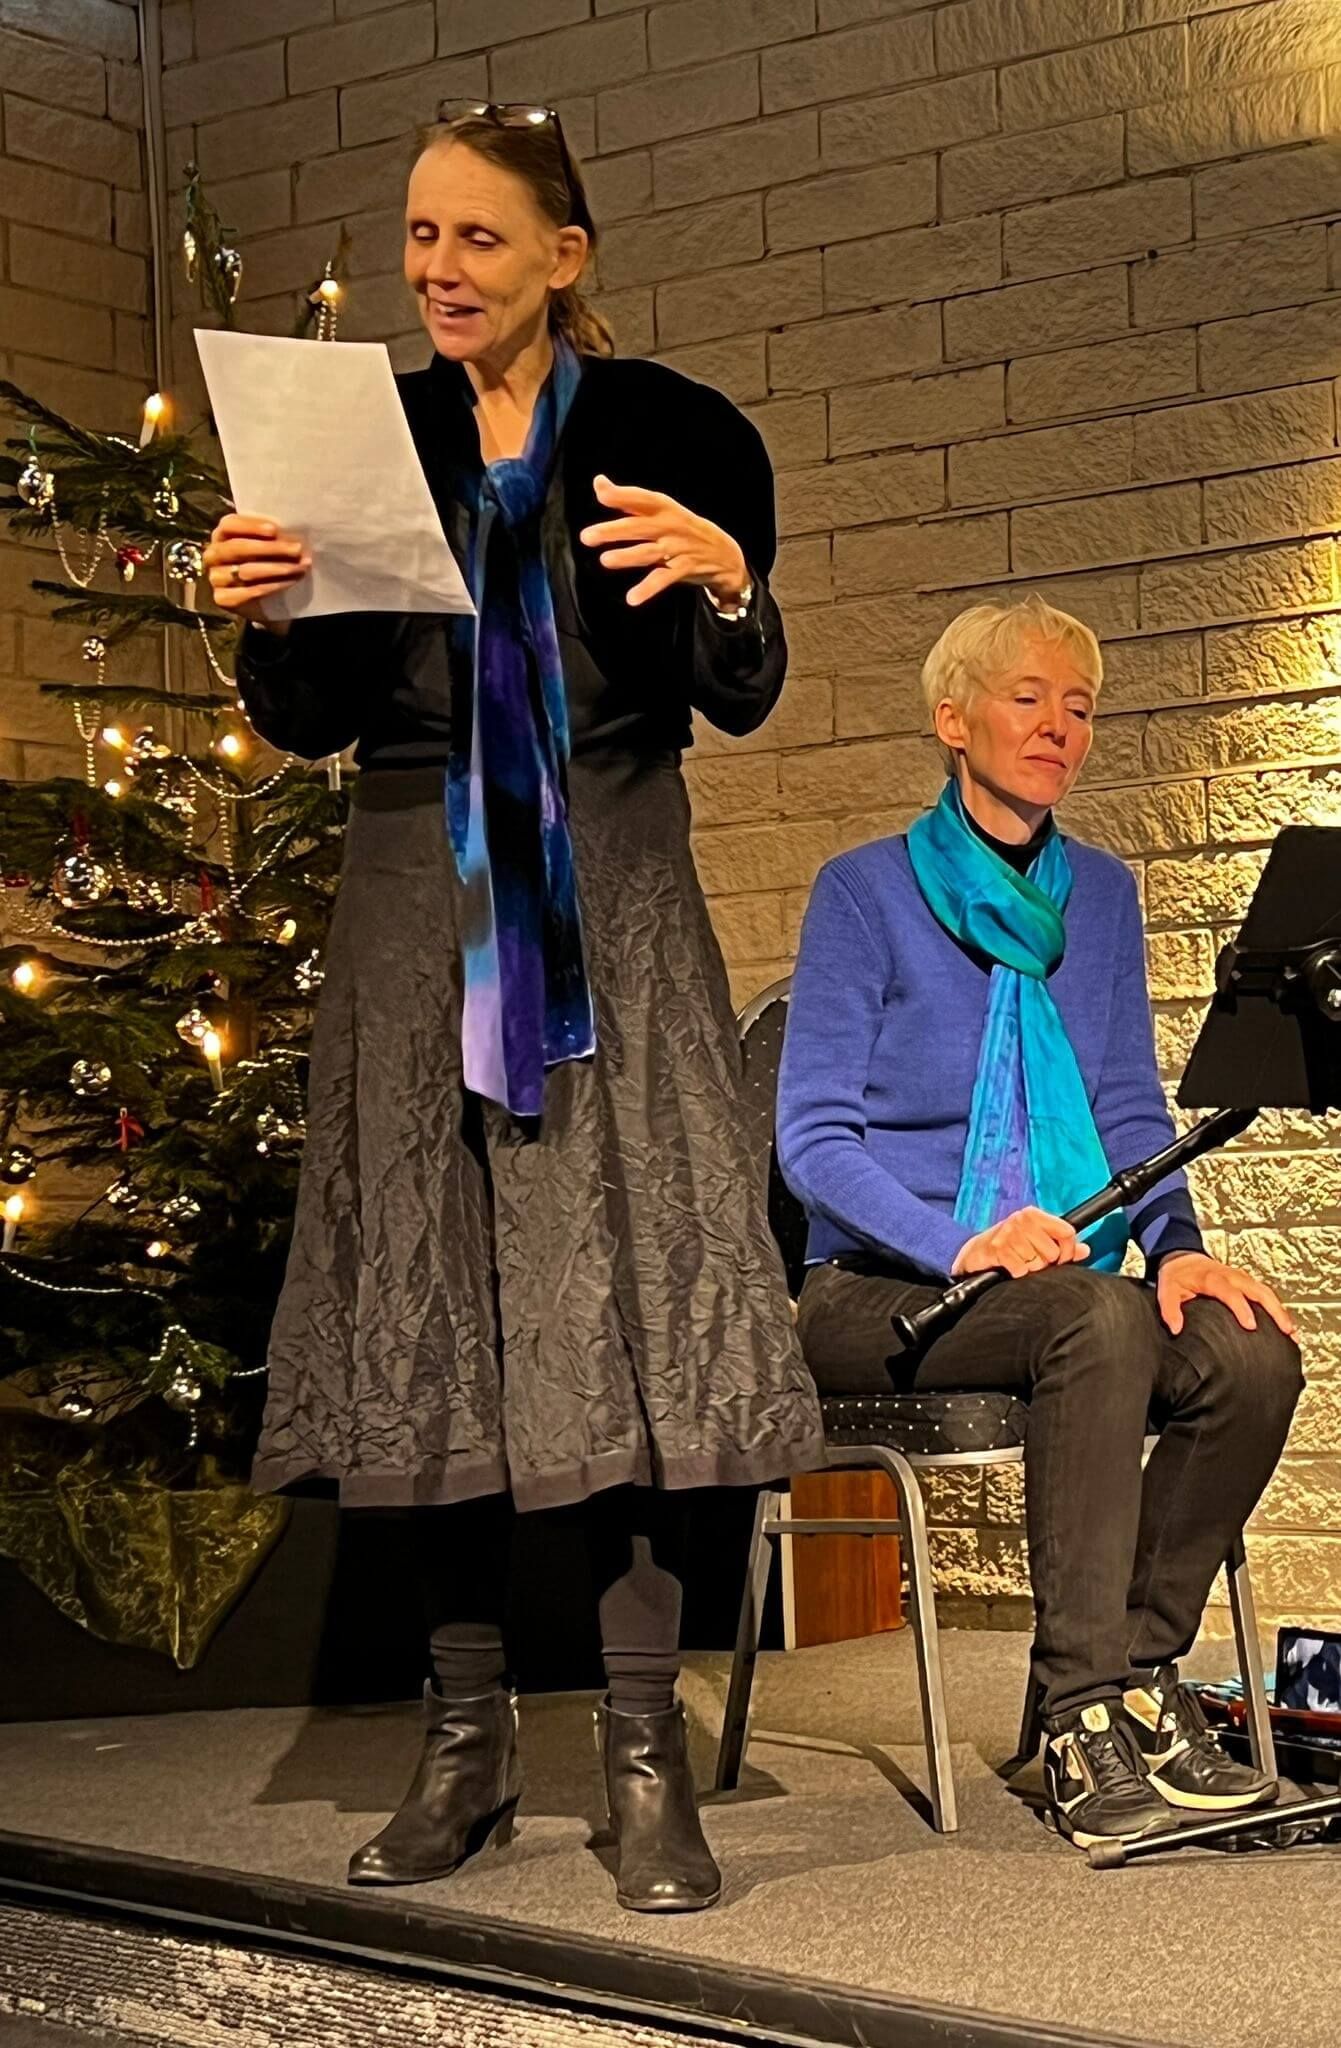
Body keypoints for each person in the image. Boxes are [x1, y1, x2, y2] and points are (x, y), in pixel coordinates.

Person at [204, 103, 822, 1912]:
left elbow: (731, 689)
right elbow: (314, 715)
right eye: (420, 235)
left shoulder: (671, 433)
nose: (439, 269)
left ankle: (639, 1752)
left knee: (618, 1308)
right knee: (438, 1311)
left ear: (566, 254)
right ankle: (463, 1742)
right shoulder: (368, 441)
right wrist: (262, 613)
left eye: (476, 236)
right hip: (413, 909)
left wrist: (734, 586)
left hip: (609, 900)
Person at [777, 594, 1303, 1853]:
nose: (1060, 724)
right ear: (953, 719)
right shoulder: (864, 892)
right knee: (1097, 1319)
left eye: (1079, 706)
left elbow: (1127, 1104)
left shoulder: (1103, 895)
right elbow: (813, 1140)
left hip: (1060, 1282)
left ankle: (1138, 1673)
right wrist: (961, 1241)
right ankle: (1076, 1716)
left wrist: (1181, 1248)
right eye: (1029, 697)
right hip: (877, 1287)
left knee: (1248, 1351)